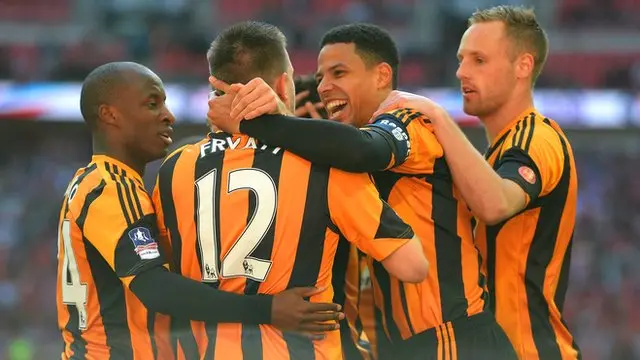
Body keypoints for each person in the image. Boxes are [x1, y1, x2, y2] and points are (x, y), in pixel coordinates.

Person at [209, 23, 516, 359]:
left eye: (338, 73)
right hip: (410, 343)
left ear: (381, 75)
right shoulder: (341, 158)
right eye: (321, 76)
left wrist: (254, 122)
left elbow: (364, 150)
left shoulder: (409, 117)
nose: (324, 87)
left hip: (453, 337)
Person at [153, 21, 428, 360]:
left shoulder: (174, 169)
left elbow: (162, 283)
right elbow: (413, 267)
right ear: (285, 86)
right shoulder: (323, 166)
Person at [56, 61, 344, 360]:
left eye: (165, 103)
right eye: (152, 104)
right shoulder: (111, 186)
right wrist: (268, 309)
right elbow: (155, 288)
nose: (168, 115)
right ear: (109, 114)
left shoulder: (99, 183)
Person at [376, 6, 581, 359]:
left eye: (479, 61)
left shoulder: (537, 137)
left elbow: (495, 204)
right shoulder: (494, 154)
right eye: (461, 59)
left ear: (523, 66)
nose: (461, 71)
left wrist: (438, 116)